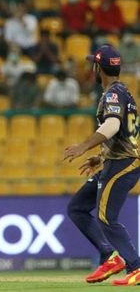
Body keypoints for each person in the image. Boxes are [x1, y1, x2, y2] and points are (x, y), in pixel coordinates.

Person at [64, 45, 139, 286]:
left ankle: (136, 265)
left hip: (124, 163)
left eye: (93, 65)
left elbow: (113, 126)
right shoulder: (118, 91)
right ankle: (110, 256)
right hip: (113, 160)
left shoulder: (113, 93)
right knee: (77, 207)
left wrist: (84, 146)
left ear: (99, 67)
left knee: (106, 217)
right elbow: (123, 132)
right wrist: (101, 156)